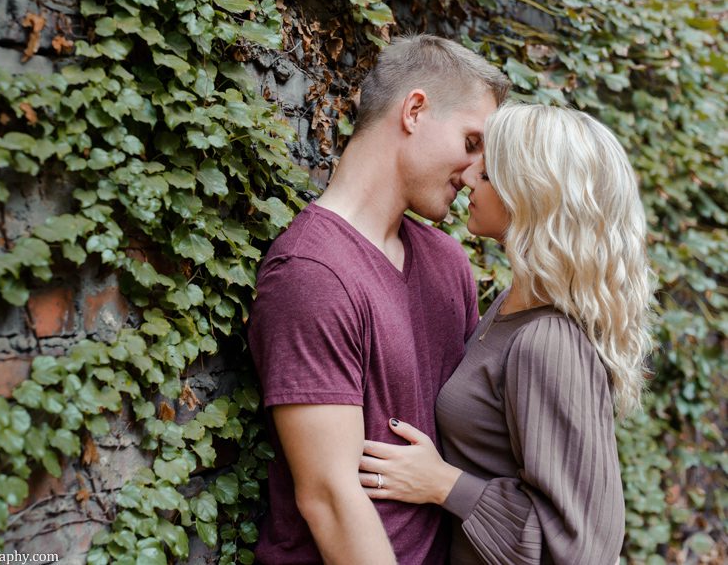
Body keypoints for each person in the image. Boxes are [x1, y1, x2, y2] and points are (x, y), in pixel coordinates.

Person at [246, 34, 510, 565]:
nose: (477, 172)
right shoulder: (313, 272)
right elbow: (330, 499)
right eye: (471, 142)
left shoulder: (448, 262)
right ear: (415, 110)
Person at [358, 103, 654, 564]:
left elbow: (581, 547)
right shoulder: (511, 305)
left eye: (491, 173)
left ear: (535, 196)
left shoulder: (547, 340)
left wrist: (443, 485)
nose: (469, 177)